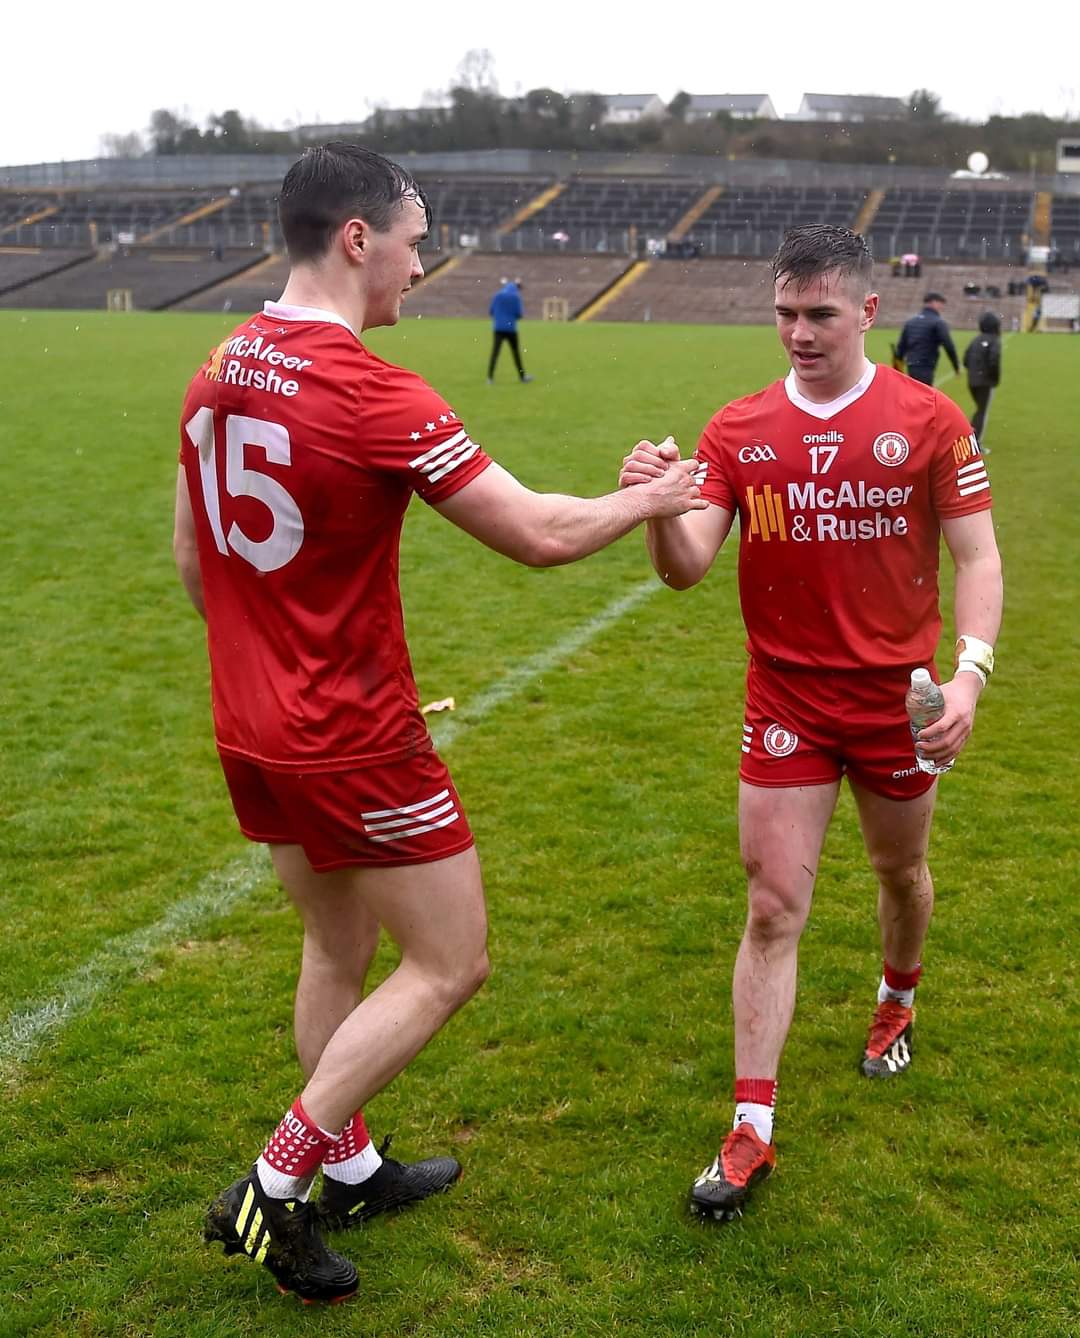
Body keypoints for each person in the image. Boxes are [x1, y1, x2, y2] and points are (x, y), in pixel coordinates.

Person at [174, 143, 705, 1303]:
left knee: (338, 947)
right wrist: (655, 499)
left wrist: (271, 655)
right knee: (449, 960)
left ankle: (349, 1167)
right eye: (415, 241)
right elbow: (539, 533)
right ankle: (277, 1182)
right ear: (357, 238)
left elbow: (190, 559)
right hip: (351, 732)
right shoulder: (367, 386)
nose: (424, 265)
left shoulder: (219, 363)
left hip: (251, 723)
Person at [618, 225, 1001, 1224]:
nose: (798, 332)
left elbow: (978, 560)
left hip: (897, 706)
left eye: (819, 315)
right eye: (785, 313)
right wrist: (660, 505)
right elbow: (685, 567)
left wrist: (969, 677)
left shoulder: (928, 420)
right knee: (771, 910)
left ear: (867, 313)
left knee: (897, 874)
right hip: (786, 702)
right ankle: (751, 1130)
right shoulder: (737, 431)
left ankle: (897, 997)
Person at [896, 291, 960, 386]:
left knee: (915, 392)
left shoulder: (911, 322)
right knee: (923, 395)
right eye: (940, 303)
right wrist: (956, 366)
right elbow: (949, 346)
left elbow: (901, 347)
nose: (942, 307)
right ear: (933, 302)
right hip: (926, 365)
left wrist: (897, 367)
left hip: (911, 365)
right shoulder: (938, 322)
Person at [963, 311, 1002, 447]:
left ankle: (969, 439)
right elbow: (993, 361)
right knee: (982, 412)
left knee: (979, 410)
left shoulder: (976, 339)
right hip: (985, 382)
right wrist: (994, 379)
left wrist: (974, 373)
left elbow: (966, 360)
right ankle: (974, 443)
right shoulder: (994, 340)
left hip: (972, 381)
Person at [487, 276, 532, 383]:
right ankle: (522, 377)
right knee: (516, 353)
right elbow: (519, 314)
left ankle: (490, 377)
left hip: (498, 328)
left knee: (495, 353)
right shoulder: (516, 297)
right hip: (511, 329)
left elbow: (491, 311)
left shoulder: (497, 295)